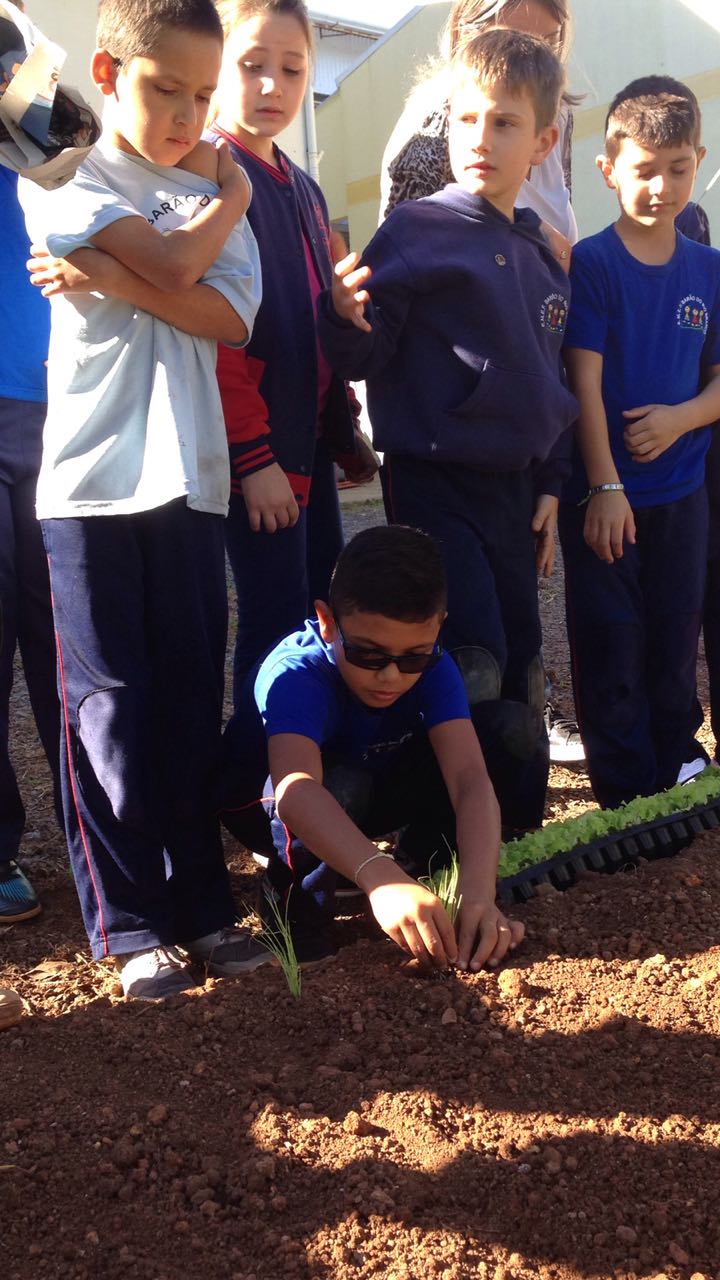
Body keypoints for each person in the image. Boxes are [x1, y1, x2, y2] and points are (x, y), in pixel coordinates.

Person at [20, 0, 267, 999]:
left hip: (192, 480)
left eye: (203, 96)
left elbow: (232, 314)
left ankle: (202, 903)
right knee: (108, 707)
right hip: (89, 481)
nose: (186, 113)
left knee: (183, 702)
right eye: (167, 88)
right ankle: (126, 919)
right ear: (111, 70)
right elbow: (179, 268)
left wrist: (113, 275)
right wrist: (233, 204)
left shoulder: (202, 180)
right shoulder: (63, 169)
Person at [316, 28, 578, 835]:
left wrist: (549, 486)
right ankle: (447, 832)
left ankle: (519, 835)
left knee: (527, 660)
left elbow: (554, 383)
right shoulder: (415, 231)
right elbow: (370, 348)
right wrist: (343, 314)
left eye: (504, 123)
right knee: (472, 654)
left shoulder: (540, 256)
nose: (482, 139)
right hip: (435, 480)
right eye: (467, 120)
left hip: (513, 488)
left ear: (543, 140)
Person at [220, 525, 525, 972]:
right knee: (335, 788)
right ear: (327, 623)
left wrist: (479, 889)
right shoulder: (296, 674)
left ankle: (433, 875)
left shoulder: (436, 666)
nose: (391, 677)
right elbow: (294, 791)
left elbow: (469, 780)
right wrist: (379, 877)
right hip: (268, 801)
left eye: (414, 658)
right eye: (368, 655)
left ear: (438, 627)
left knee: (506, 728)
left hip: (370, 778)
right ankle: (296, 918)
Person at [558, 76, 720, 809]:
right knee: (612, 646)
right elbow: (582, 384)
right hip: (609, 502)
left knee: (672, 641)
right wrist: (604, 485)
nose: (662, 185)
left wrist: (683, 419)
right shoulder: (593, 263)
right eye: (645, 169)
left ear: (700, 160)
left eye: (678, 168)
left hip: (683, 497)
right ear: (609, 168)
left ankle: (676, 769)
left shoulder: (710, 271)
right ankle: (625, 794)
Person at [207, 0, 364, 698]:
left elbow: (318, 328)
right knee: (275, 633)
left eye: (292, 69)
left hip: (309, 450)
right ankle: (253, 795)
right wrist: (253, 457)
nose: (272, 85)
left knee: (325, 619)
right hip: (259, 459)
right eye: (251, 66)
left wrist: (345, 430)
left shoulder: (304, 189)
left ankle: (313, 770)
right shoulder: (211, 178)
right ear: (216, 68)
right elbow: (216, 333)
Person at [0, 5, 62, 925]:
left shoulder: (35, 103)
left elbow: (83, 147)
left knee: (71, 641)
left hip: (63, 409)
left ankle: (113, 837)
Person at [380, 0, 577, 253]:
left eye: (548, 45)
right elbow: (405, 256)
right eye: (514, 43)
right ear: (465, 34)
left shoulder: (557, 112)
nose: (535, 64)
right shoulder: (431, 126)